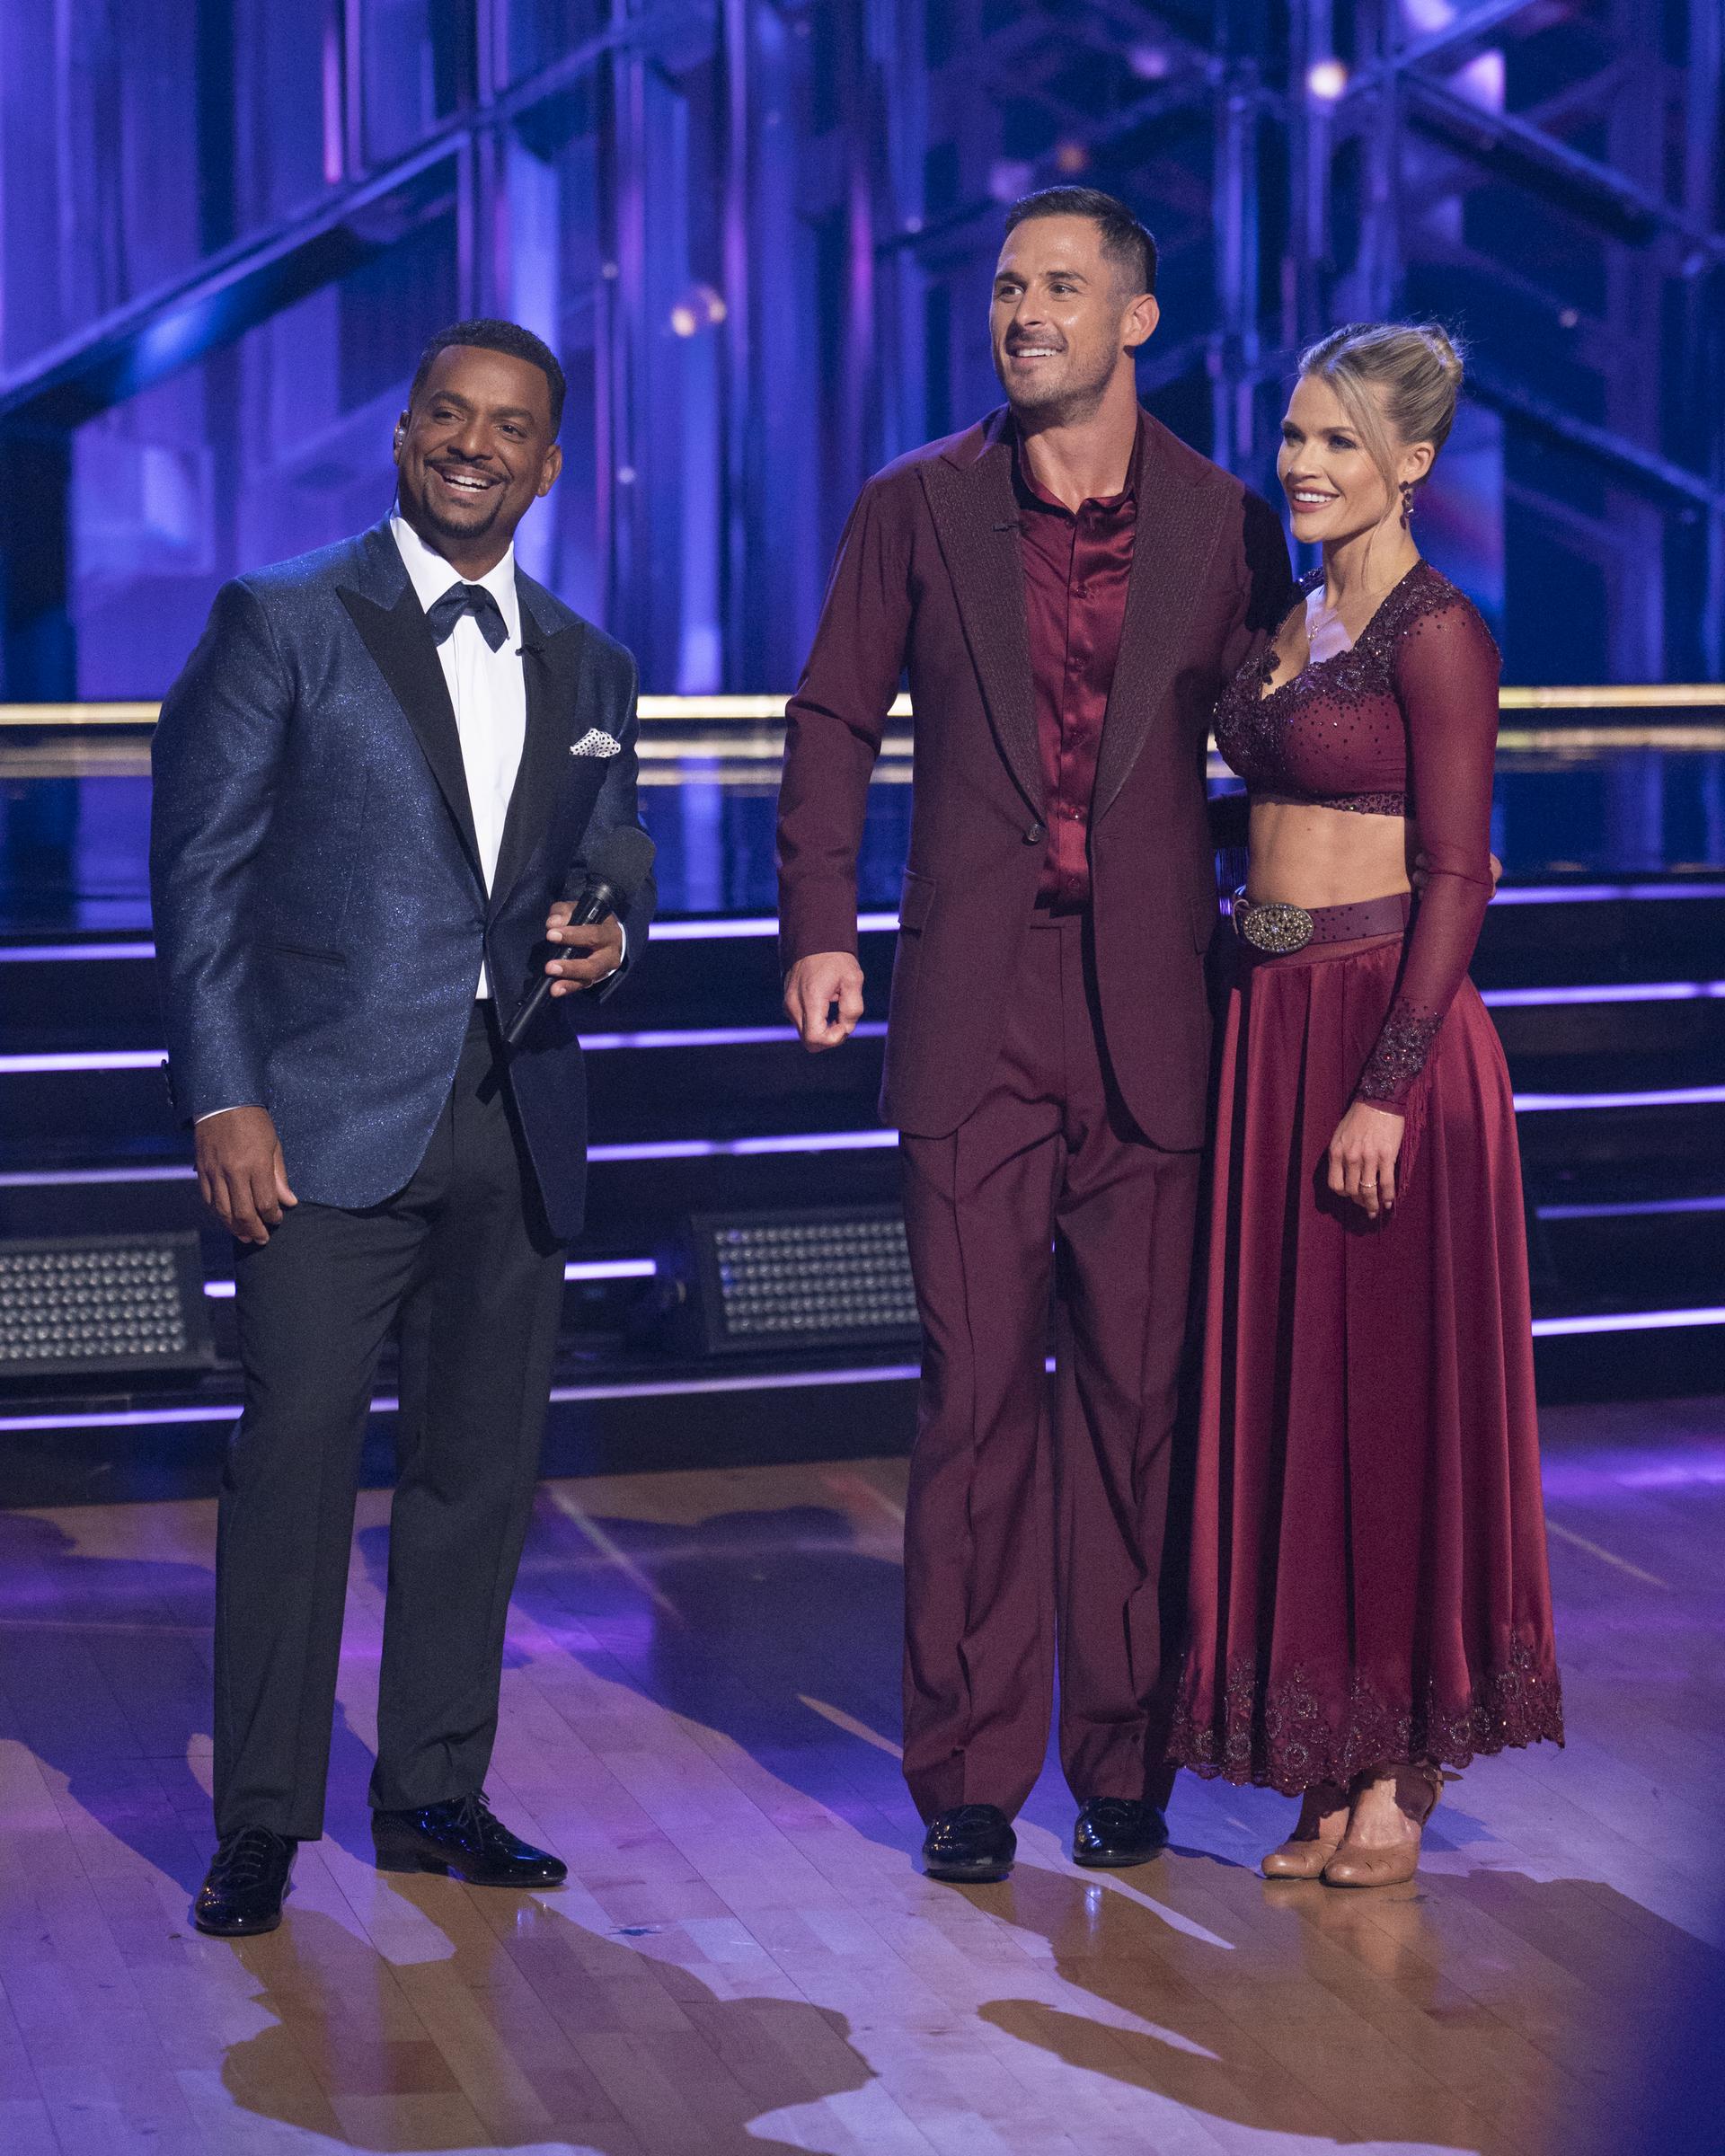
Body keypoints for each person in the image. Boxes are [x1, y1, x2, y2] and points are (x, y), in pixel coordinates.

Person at [776, 187, 1293, 1884]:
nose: (1026, 312)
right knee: (976, 1400)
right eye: (1008, 285)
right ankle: (971, 1778)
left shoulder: (1222, 521)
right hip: (972, 1015)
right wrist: (822, 930)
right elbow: (837, 711)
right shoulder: (919, 505)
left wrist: (1304, 938)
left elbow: (1280, 743)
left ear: (1137, 319)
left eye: (1062, 287)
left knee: (1139, 1406)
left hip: (1155, 1019)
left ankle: (1126, 1761)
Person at [151, 318, 655, 1936]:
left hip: (518, 1121)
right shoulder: (284, 619)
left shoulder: (590, 662)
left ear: (548, 462)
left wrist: (618, 927)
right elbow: (202, 879)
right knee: (291, 1463)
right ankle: (262, 1825)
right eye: (450, 414)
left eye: (511, 426)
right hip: (319, 1123)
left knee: (477, 1472)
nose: (474, 444)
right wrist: (225, 1095)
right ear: (404, 434)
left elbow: (617, 842)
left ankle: (434, 1790)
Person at [1168, 322, 1563, 1885]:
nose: (1303, 465)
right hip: (1267, 1026)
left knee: (1392, 1406)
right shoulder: (1290, 620)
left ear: (1413, 462)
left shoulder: (1437, 631)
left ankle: (1404, 1761)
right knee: (1295, 1394)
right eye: (1292, 436)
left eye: (1337, 442)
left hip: (1383, 1042)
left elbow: (1460, 873)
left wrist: (1389, 1089)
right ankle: (1321, 1764)